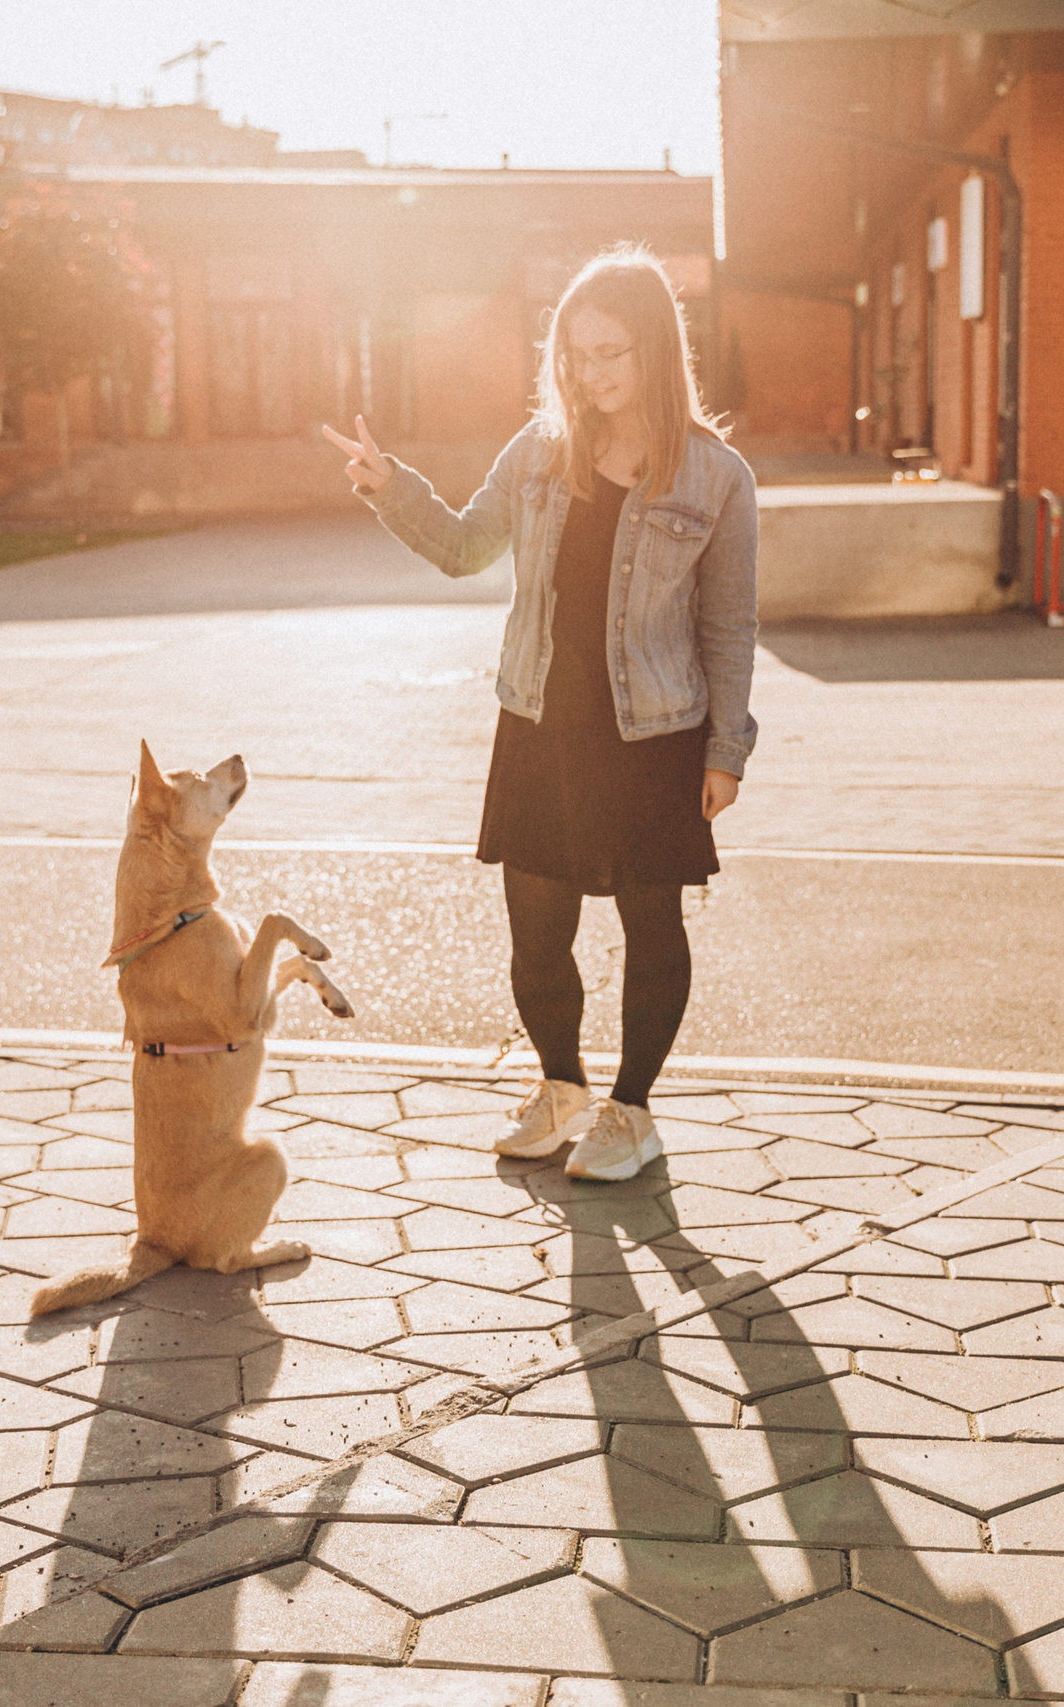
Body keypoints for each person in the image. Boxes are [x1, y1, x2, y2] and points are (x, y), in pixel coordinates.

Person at [321, 244, 757, 1183]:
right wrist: (386, 482)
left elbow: (728, 626)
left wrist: (728, 750)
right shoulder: (537, 452)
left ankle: (630, 1110)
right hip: (540, 724)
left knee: (652, 924)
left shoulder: (717, 476)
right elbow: (465, 547)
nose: (592, 373)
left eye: (613, 352)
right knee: (536, 928)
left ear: (656, 350)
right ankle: (561, 1088)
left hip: (654, 735)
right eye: (576, 353)